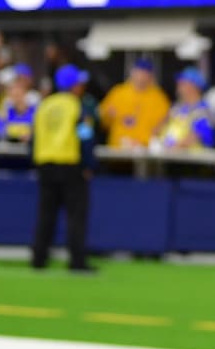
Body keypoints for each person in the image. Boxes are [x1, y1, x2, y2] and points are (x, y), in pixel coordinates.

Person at [29, 65, 96, 273]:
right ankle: (77, 260)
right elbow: (85, 136)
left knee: (45, 214)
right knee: (76, 215)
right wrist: (88, 164)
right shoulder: (77, 106)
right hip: (70, 164)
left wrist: (36, 161)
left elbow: (33, 138)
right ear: (74, 86)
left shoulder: (45, 105)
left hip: (45, 164)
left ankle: (39, 257)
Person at [99, 58, 170, 149]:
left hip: (145, 148)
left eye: (145, 73)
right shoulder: (118, 93)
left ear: (151, 76)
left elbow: (166, 122)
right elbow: (104, 122)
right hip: (119, 147)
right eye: (139, 72)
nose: (141, 76)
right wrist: (107, 115)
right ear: (132, 72)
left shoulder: (158, 97)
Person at [156, 67, 215, 150]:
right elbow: (159, 129)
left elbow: (197, 135)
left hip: (193, 160)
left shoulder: (203, 111)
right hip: (169, 157)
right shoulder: (177, 107)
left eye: (182, 83)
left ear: (193, 86)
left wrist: (174, 147)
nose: (178, 86)